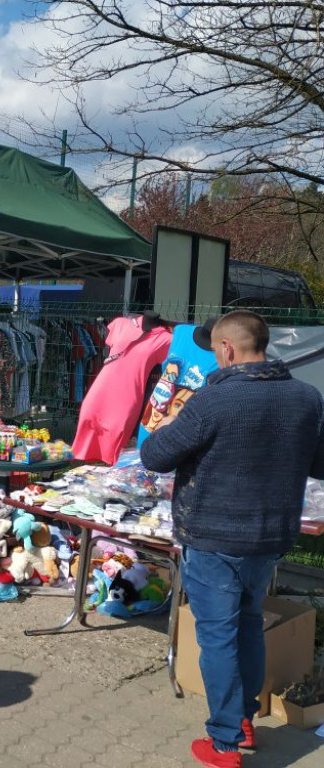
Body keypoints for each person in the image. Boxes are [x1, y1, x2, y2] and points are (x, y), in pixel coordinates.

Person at [140, 311, 324, 768]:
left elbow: (156, 456)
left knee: (220, 635)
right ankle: (242, 720)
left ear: (226, 350)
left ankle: (224, 742)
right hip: (270, 535)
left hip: (215, 535)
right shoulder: (307, 397)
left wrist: (164, 428)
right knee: (247, 622)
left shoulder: (213, 400)